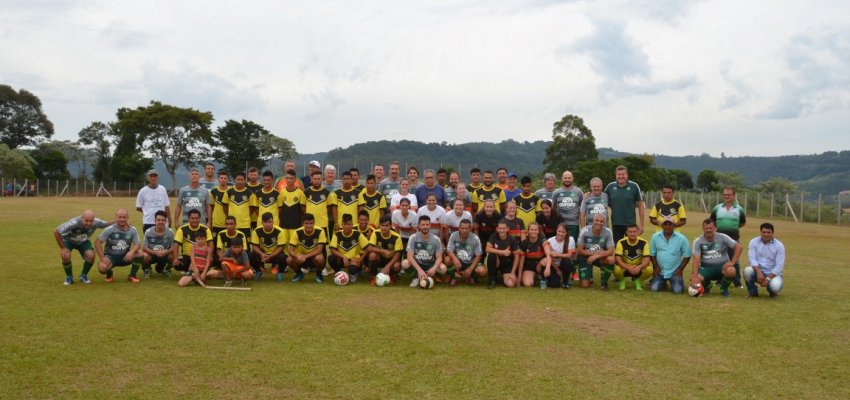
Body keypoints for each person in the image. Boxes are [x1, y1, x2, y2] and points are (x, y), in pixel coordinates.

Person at [54, 209, 111, 285]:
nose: (89, 223)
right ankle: (69, 277)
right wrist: (63, 248)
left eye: (91, 221)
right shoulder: (73, 222)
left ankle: (83, 275)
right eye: (86, 220)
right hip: (68, 240)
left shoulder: (96, 222)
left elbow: (106, 224)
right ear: (81, 218)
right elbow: (56, 232)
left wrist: (119, 222)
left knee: (91, 255)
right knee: (65, 255)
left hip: (83, 241)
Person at [691, 218, 742, 297]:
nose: (708, 230)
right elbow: (696, 260)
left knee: (731, 270)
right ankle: (707, 285)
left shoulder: (722, 237)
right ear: (703, 229)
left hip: (722, 267)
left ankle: (724, 288)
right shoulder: (698, 241)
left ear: (715, 228)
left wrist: (732, 263)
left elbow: (738, 247)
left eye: (710, 228)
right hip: (706, 268)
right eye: (706, 228)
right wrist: (694, 277)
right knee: (694, 277)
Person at [711, 187, 747, 288]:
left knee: (735, 260)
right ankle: (719, 280)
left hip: (734, 238)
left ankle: (737, 282)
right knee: (719, 259)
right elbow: (712, 221)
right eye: (725, 195)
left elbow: (743, 222)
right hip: (719, 238)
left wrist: (732, 227)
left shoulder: (739, 209)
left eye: (728, 194)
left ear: (733, 196)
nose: (726, 196)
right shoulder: (717, 208)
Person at [95, 209, 142, 283]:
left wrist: (131, 252)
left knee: (140, 254)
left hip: (125, 257)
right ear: (116, 217)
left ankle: (132, 275)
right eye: (119, 217)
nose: (122, 219)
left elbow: (137, 244)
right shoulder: (109, 229)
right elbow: (97, 242)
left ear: (127, 218)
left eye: (124, 217)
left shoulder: (132, 229)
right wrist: (102, 257)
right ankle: (109, 274)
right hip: (110, 257)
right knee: (102, 268)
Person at [649, 217, 691, 294]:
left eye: (670, 224)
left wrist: (680, 269)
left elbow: (687, 255)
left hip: (674, 272)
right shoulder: (655, 237)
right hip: (660, 271)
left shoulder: (681, 238)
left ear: (674, 226)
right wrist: (656, 267)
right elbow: (652, 254)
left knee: (678, 291)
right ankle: (660, 281)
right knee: (654, 289)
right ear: (662, 226)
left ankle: (675, 281)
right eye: (665, 224)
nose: (667, 227)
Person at [604, 165, 646, 243]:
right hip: (616, 223)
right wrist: (589, 195)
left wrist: (641, 225)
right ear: (616, 175)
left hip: (630, 225)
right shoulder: (610, 186)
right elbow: (601, 198)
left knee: (631, 248)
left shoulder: (634, 186)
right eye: (618, 175)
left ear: (627, 175)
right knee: (618, 248)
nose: (621, 176)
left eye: (623, 174)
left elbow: (641, 205)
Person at [402, 215, 445, 287]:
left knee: (443, 269)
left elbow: (439, 257)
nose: (425, 227)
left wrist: (434, 268)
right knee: (405, 263)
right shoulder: (413, 237)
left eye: (427, 225)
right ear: (418, 226)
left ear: (430, 225)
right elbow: (409, 256)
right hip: (417, 264)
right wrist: (419, 270)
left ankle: (430, 276)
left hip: (430, 264)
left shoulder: (436, 239)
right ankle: (416, 277)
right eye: (423, 225)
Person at [745, 222, 785, 298]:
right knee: (747, 271)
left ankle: (772, 292)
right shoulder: (753, 242)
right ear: (761, 232)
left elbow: (779, 266)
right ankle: (753, 292)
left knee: (775, 287)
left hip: (772, 273)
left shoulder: (779, 246)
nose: (766, 234)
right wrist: (759, 272)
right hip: (757, 271)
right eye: (764, 232)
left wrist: (768, 278)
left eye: (768, 232)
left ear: (773, 233)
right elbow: (752, 259)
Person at [576, 214, 615, 289]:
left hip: (599, 257)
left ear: (604, 223)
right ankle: (587, 275)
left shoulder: (608, 232)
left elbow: (611, 251)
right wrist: (592, 254)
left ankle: (604, 283)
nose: (599, 223)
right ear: (593, 221)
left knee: (611, 259)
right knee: (585, 285)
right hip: (585, 257)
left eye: (601, 221)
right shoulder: (584, 230)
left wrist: (596, 256)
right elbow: (579, 250)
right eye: (597, 220)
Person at [328, 214, 370, 282]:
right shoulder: (337, 234)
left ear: (352, 224)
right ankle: (339, 271)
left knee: (353, 268)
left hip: (353, 260)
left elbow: (368, 247)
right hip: (342, 259)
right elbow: (332, 249)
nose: (347, 226)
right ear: (342, 225)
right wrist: (343, 257)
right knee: (331, 258)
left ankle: (353, 274)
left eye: (349, 224)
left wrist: (360, 259)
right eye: (345, 224)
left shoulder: (357, 234)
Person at [288, 213, 328, 283]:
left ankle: (319, 274)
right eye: (306, 223)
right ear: (302, 223)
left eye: (311, 223)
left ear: (314, 223)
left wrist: (305, 256)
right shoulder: (297, 232)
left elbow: (319, 250)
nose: (309, 226)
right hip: (300, 259)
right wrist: (297, 256)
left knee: (320, 258)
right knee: (289, 260)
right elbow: (290, 251)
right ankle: (299, 274)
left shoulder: (320, 231)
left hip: (313, 258)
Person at [173, 209, 213, 276]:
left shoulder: (205, 229)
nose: (195, 220)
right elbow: (176, 244)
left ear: (200, 219)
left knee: (212, 260)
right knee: (177, 265)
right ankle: (193, 270)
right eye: (192, 218)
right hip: (188, 256)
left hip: (202, 255)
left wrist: (210, 255)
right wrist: (175, 258)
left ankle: (201, 271)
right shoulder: (182, 229)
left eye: (197, 218)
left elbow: (211, 244)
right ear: (188, 219)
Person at [444, 219, 485, 286]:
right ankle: (452, 274)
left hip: (470, 262)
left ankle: (471, 276)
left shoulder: (475, 238)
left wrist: (471, 268)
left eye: (466, 228)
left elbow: (478, 255)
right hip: (459, 261)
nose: (464, 230)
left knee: (482, 271)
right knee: (447, 260)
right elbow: (449, 250)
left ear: (470, 229)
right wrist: (455, 259)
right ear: (459, 228)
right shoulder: (454, 235)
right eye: (462, 228)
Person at [250, 212, 288, 281]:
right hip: (263, 254)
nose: (267, 224)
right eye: (265, 222)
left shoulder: (280, 231)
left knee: (284, 257)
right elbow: (254, 246)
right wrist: (261, 254)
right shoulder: (257, 230)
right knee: (250, 255)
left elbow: (281, 248)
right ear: (262, 222)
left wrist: (271, 256)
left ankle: (280, 272)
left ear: (273, 222)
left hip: (275, 254)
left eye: (269, 222)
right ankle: (258, 271)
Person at [614, 224, 653, 290]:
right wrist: (628, 267)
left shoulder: (644, 243)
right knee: (616, 269)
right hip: (625, 267)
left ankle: (638, 281)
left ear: (638, 232)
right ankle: (622, 281)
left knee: (649, 270)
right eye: (630, 232)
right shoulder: (620, 242)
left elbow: (647, 260)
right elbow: (618, 259)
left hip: (638, 268)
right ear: (626, 232)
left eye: (634, 231)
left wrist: (639, 267)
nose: (632, 234)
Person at [367, 215, 403, 285]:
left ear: (390, 226)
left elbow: (398, 254)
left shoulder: (397, 237)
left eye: (386, 226)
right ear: (379, 226)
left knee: (397, 265)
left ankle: (391, 276)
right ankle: (373, 277)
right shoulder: (376, 233)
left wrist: (388, 266)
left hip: (391, 260)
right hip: (380, 258)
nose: (384, 228)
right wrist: (383, 251)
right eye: (382, 225)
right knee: (372, 255)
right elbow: (369, 248)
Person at [141, 210, 177, 278]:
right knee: (144, 256)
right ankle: (147, 269)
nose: (161, 222)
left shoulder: (170, 232)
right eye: (158, 220)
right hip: (152, 255)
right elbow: (144, 248)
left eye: (163, 220)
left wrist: (167, 251)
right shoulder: (148, 232)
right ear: (155, 221)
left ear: (166, 221)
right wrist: (155, 253)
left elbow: (174, 246)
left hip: (165, 254)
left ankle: (165, 269)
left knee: (174, 257)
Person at [485, 220, 520, 289]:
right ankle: (492, 280)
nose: (502, 230)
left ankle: (500, 277)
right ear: (497, 229)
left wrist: (513, 273)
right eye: (500, 228)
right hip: (497, 262)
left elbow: (517, 257)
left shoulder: (512, 239)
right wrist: (503, 252)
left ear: (507, 229)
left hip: (507, 264)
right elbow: (487, 249)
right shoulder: (493, 236)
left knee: (510, 284)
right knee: (491, 256)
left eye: (504, 228)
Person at [552, 170, 584, 245]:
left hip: (574, 225)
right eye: (565, 178)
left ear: (572, 178)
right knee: (560, 245)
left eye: (569, 178)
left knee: (572, 245)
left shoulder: (578, 191)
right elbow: (553, 208)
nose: (567, 180)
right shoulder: (556, 192)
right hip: (560, 224)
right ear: (562, 178)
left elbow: (582, 208)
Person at [222, 171, 256, 238]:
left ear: (245, 181)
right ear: (235, 180)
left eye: (242, 180)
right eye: (238, 179)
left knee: (246, 247)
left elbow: (252, 208)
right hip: (232, 225)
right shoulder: (228, 192)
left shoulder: (250, 193)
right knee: (233, 246)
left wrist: (244, 216)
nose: (240, 181)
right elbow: (225, 206)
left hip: (245, 225)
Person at [518, 222, 551, 288]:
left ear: (538, 231)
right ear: (528, 231)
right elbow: (521, 261)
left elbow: (548, 255)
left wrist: (548, 268)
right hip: (529, 267)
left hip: (539, 265)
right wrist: (519, 277)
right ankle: (535, 276)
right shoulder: (524, 242)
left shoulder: (542, 239)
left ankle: (543, 277)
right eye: (531, 230)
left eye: (535, 230)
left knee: (545, 261)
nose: (533, 231)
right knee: (528, 284)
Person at [303, 170, 335, 238]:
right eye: (315, 179)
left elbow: (329, 207)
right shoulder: (306, 192)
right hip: (310, 224)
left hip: (323, 224)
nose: (316, 181)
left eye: (318, 179)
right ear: (311, 179)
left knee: (323, 247)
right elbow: (302, 206)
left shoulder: (327, 193)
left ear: (322, 180)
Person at [279, 168, 306, 241]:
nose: (289, 180)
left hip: (296, 225)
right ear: (285, 179)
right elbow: (280, 210)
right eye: (287, 178)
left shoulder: (300, 193)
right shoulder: (282, 193)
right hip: (284, 225)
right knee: (284, 246)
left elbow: (303, 211)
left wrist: (302, 223)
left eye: (291, 178)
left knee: (294, 246)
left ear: (295, 179)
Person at [547, 223, 576, 289]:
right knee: (553, 284)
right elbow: (549, 257)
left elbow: (569, 255)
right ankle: (559, 277)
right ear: (556, 230)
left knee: (567, 262)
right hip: (554, 265)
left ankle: (565, 282)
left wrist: (557, 254)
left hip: (564, 264)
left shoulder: (570, 239)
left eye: (563, 232)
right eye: (559, 231)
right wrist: (557, 270)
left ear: (566, 233)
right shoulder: (550, 241)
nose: (560, 234)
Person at [209, 170, 230, 237]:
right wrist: (210, 221)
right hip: (216, 223)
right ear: (218, 179)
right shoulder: (213, 191)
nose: (223, 180)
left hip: (229, 223)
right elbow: (211, 207)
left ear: (228, 180)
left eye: (225, 178)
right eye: (221, 178)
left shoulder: (231, 191)